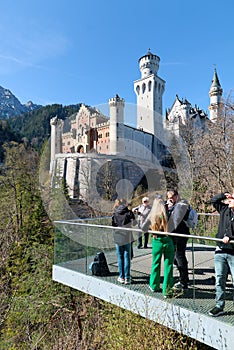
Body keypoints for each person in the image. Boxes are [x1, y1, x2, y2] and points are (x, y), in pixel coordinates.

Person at [142, 198, 178, 298]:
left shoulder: (152, 216)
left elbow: (143, 228)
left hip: (157, 241)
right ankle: (167, 290)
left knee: (155, 264)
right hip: (168, 240)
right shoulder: (168, 214)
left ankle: (154, 285)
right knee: (169, 266)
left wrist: (151, 229)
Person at [208, 191, 234, 317]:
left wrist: (231, 236)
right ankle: (219, 306)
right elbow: (213, 201)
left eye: (232, 198)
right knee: (219, 279)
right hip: (220, 250)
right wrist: (224, 194)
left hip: (233, 252)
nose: (229, 200)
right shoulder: (224, 210)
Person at [166, 190, 190, 290]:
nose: (170, 199)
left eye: (172, 197)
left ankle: (183, 281)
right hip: (173, 234)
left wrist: (170, 209)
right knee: (176, 257)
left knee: (179, 256)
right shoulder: (173, 205)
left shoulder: (182, 204)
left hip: (180, 234)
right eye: (168, 197)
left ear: (176, 196)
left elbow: (176, 220)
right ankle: (183, 277)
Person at [112, 198, 136, 285]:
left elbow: (113, 224)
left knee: (120, 257)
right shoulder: (129, 213)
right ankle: (127, 277)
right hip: (127, 237)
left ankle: (121, 276)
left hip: (118, 236)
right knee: (127, 257)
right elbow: (134, 223)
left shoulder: (115, 213)